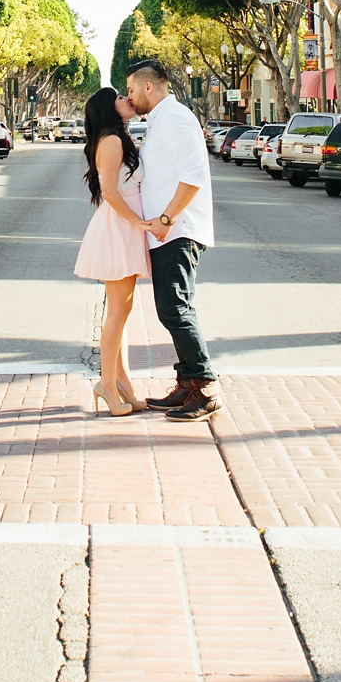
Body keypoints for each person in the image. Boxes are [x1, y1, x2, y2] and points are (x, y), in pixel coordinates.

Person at [124, 59, 220, 421]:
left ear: (149, 86)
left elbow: (194, 175)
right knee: (171, 309)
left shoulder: (175, 118)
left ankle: (204, 388)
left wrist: (167, 218)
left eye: (132, 90)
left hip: (178, 231)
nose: (130, 98)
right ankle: (186, 383)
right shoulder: (162, 120)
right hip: (169, 231)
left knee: (176, 308)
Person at [73, 87, 151, 417]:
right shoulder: (112, 141)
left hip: (124, 227)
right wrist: (140, 223)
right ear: (109, 107)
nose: (127, 99)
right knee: (118, 313)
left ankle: (123, 384)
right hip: (119, 228)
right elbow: (109, 191)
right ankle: (107, 383)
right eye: (120, 96)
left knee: (123, 311)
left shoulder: (118, 138)